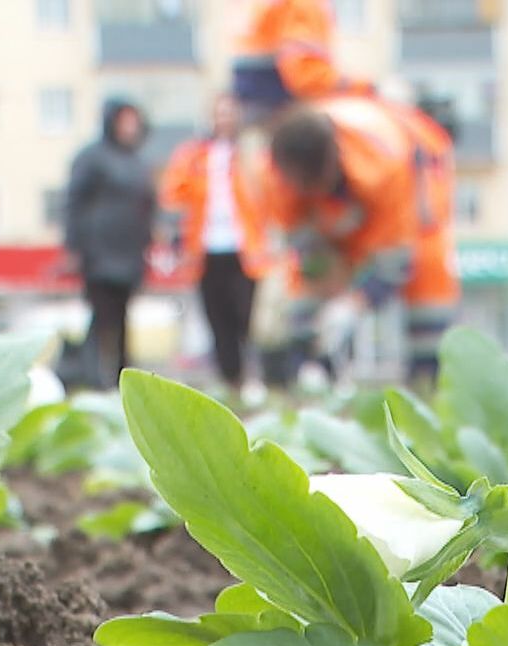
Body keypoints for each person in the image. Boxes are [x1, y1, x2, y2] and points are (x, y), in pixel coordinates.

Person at [262, 96, 460, 385]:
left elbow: (395, 262)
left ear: (333, 163)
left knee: (427, 278)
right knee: (303, 286)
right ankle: (309, 371)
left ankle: (426, 378)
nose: (308, 192)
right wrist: (319, 305)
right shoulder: (278, 172)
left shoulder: (383, 166)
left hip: (418, 176)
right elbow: (304, 248)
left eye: (315, 185)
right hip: (348, 206)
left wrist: (353, 303)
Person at [162, 94, 271, 393]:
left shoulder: (252, 154)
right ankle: (230, 378)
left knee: (247, 314)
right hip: (206, 248)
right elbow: (174, 196)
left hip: (245, 247)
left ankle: (252, 375)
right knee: (216, 314)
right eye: (219, 113)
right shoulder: (193, 156)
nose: (225, 119)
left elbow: (267, 195)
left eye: (230, 112)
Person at [64, 98, 158, 388]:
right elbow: (74, 203)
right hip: (99, 254)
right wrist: (74, 247)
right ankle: (93, 376)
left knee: (122, 318)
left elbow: (147, 208)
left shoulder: (138, 163)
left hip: (130, 255)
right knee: (101, 316)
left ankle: (122, 378)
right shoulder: (92, 158)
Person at [233, 0, 373, 122]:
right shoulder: (304, 5)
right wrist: (357, 85)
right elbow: (303, 75)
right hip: (270, 94)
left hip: (259, 89)